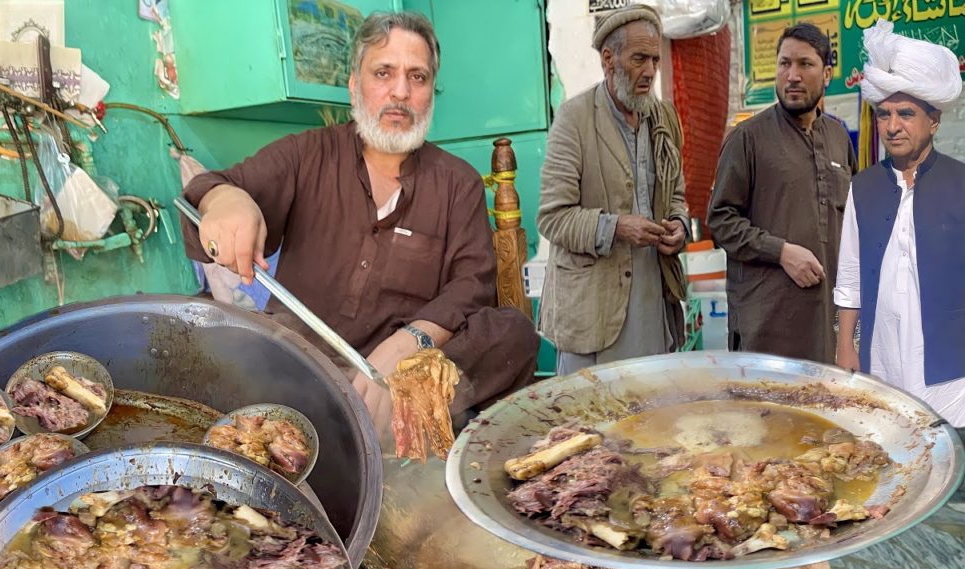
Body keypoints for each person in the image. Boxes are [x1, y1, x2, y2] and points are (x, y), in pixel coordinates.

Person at [180, 11, 540, 433]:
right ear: (354, 84)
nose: (401, 92)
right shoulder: (307, 154)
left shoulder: (457, 182)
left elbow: (472, 286)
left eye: (418, 77)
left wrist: (408, 344)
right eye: (383, 73)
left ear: (431, 92)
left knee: (513, 333)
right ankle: (343, 428)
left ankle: (392, 426)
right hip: (304, 369)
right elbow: (211, 189)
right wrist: (225, 200)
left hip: (405, 381)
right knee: (219, 345)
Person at [537, 5, 689, 375]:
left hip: (652, 302)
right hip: (592, 312)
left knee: (651, 402)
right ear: (608, 59)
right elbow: (552, 218)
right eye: (639, 59)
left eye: (654, 59)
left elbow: (677, 195)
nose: (650, 71)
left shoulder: (663, 118)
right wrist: (617, 227)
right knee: (592, 410)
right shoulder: (574, 119)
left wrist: (679, 226)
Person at [834, 19, 965, 426]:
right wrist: (845, 344)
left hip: (953, 374)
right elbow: (850, 275)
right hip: (883, 361)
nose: (892, 127)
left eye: (906, 114)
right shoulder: (863, 187)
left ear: (934, 120)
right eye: (884, 114)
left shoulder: (961, 183)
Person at [708, 22, 857, 364]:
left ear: (827, 74)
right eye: (784, 63)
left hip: (829, 326)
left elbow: (852, 223)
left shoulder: (838, 139)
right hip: (768, 331)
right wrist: (781, 252)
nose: (792, 76)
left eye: (805, 64)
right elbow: (720, 222)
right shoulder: (747, 139)